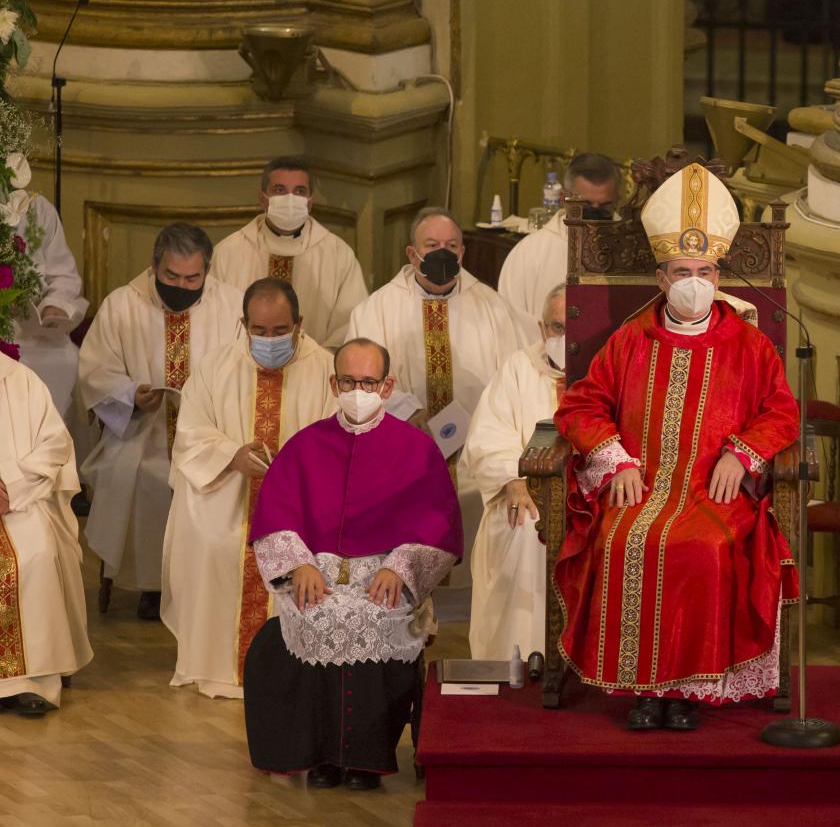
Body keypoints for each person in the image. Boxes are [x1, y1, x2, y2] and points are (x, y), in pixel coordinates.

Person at [553, 163, 798, 732]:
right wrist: (614, 459)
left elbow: (781, 410)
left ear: (719, 276)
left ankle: (688, 691)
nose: (695, 281)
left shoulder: (750, 344)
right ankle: (645, 689)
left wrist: (741, 455)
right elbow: (581, 405)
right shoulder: (631, 339)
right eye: (683, 271)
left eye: (706, 270)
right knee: (618, 539)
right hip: (641, 483)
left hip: (715, 488)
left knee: (705, 547)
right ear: (662, 279)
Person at [243, 337, 462, 790]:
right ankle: (322, 757)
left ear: (387, 386)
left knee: (374, 617)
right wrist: (299, 565)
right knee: (316, 616)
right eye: (348, 381)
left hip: (383, 574)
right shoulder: (305, 446)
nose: (357, 390)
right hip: (316, 573)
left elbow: (437, 522)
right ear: (332, 382)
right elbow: (276, 516)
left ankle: (366, 759)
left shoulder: (417, 450)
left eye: (367, 381)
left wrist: (400, 567)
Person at [161, 278, 337, 699]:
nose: (270, 340)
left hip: (302, 505)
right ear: (243, 324)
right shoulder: (214, 366)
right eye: (259, 331)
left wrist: (295, 470)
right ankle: (216, 666)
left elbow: (340, 437)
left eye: (280, 331)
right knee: (211, 542)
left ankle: (299, 667)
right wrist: (229, 455)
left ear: (299, 323)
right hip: (230, 495)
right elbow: (191, 432)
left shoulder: (328, 369)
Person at [346, 206, 521, 601]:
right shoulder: (376, 310)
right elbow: (360, 378)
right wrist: (410, 410)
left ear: (463, 252)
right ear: (412, 254)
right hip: (403, 452)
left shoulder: (493, 309)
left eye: (451, 245)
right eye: (432, 245)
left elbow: (512, 380)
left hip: (474, 454)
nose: (443, 252)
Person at [78, 223, 243, 619]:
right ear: (153, 266)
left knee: (215, 477)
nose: (182, 286)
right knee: (146, 477)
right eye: (171, 276)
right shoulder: (122, 304)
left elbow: (244, 371)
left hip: (212, 434)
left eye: (193, 278)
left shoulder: (233, 304)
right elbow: (94, 371)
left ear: (207, 271)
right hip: (141, 432)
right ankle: (152, 586)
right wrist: (130, 395)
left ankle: (208, 582)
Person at [463, 283, 566, 660]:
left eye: (572, 326)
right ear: (541, 329)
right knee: (523, 526)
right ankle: (517, 662)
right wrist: (513, 479)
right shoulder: (519, 368)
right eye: (557, 328)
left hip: (592, 499)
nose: (564, 338)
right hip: (529, 492)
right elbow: (489, 436)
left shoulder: (608, 367)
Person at [0, 351, 93, 717]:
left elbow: (55, 445)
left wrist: (10, 484)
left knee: (35, 549)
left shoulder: (20, 380)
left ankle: (31, 680)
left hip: (18, 501)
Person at [211, 156, 369, 348]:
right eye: (280, 190)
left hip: (314, 371)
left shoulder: (338, 255)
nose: (290, 199)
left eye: (299, 191)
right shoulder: (228, 253)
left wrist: (316, 365)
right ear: (263, 199)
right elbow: (214, 320)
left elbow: (350, 326)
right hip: (243, 368)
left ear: (310, 202)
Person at [496, 153, 621, 336]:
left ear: (617, 199)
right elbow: (511, 325)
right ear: (564, 198)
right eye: (585, 205)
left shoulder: (628, 250)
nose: (595, 214)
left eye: (605, 206)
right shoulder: (529, 254)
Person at [8, 186, 87, 419]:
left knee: (66, 359)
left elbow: (64, 275)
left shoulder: (36, 208)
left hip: (31, 332)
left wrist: (55, 305)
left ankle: (44, 447)